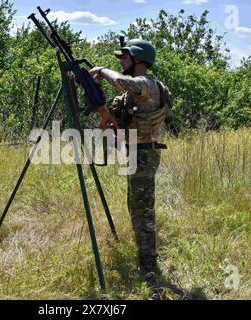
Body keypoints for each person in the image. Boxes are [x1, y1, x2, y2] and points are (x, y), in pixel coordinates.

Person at [89, 39, 173, 298]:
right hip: (137, 152)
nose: (121, 62)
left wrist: (101, 70)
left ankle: (149, 268)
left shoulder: (147, 84)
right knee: (135, 207)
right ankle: (144, 258)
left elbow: (122, 82)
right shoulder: (133, 93)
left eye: (124, 58)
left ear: (138, 59)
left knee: (143, 212)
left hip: (144, 154)